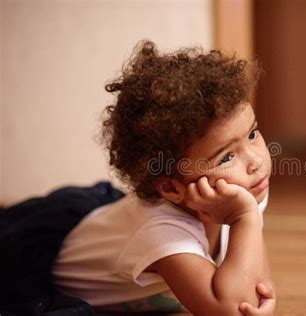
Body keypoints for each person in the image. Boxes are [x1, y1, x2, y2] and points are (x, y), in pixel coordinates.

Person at [52, 40, 276, 315]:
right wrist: (245, 218)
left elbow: (256, 286)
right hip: (45, 269)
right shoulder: (162, 230)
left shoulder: (239, 194)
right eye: (226, 157)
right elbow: (229, 310)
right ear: (171, 188)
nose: (255, 162)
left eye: (252, 134)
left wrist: (246, 219)